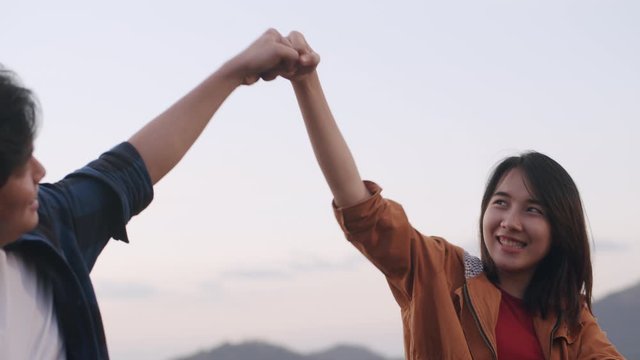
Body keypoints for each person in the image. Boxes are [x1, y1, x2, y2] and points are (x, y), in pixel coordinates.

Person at [282, 31, 623, 359]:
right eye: (500, 203)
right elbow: (362, 209)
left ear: (560, 229)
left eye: (533, 210)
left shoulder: (571, 320)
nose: (510, 222)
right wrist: (306, 83)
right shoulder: (440, 272)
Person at [0, 29, 301, 360]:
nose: (40, 171)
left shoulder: (47, 230)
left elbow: (129, 170)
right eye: (21, 163)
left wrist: (235, 71)